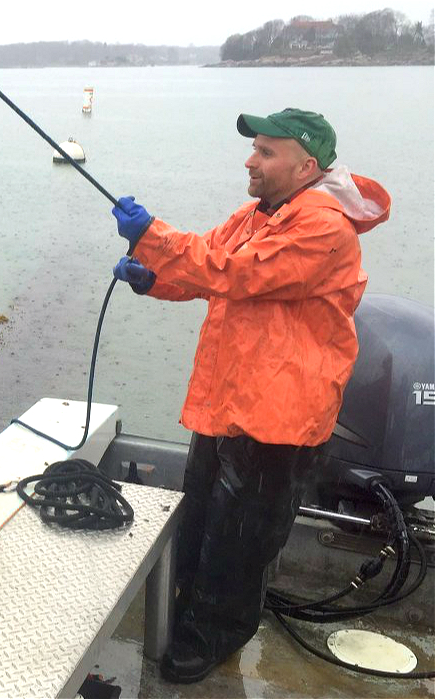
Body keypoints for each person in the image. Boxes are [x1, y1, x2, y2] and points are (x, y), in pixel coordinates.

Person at [109, 108, 391, 683]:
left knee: (241, 539)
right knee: (203, 520)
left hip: (279, 417)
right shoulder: (255, 215)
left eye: (266, 152)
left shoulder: (323, 228)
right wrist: (152, 277)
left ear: (306, 164)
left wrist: (151, 235)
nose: (250, 160)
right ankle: (192, 607)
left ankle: (216, 634)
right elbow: (207, 270)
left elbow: (236, 274)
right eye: (253, 149)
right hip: (227, 401)